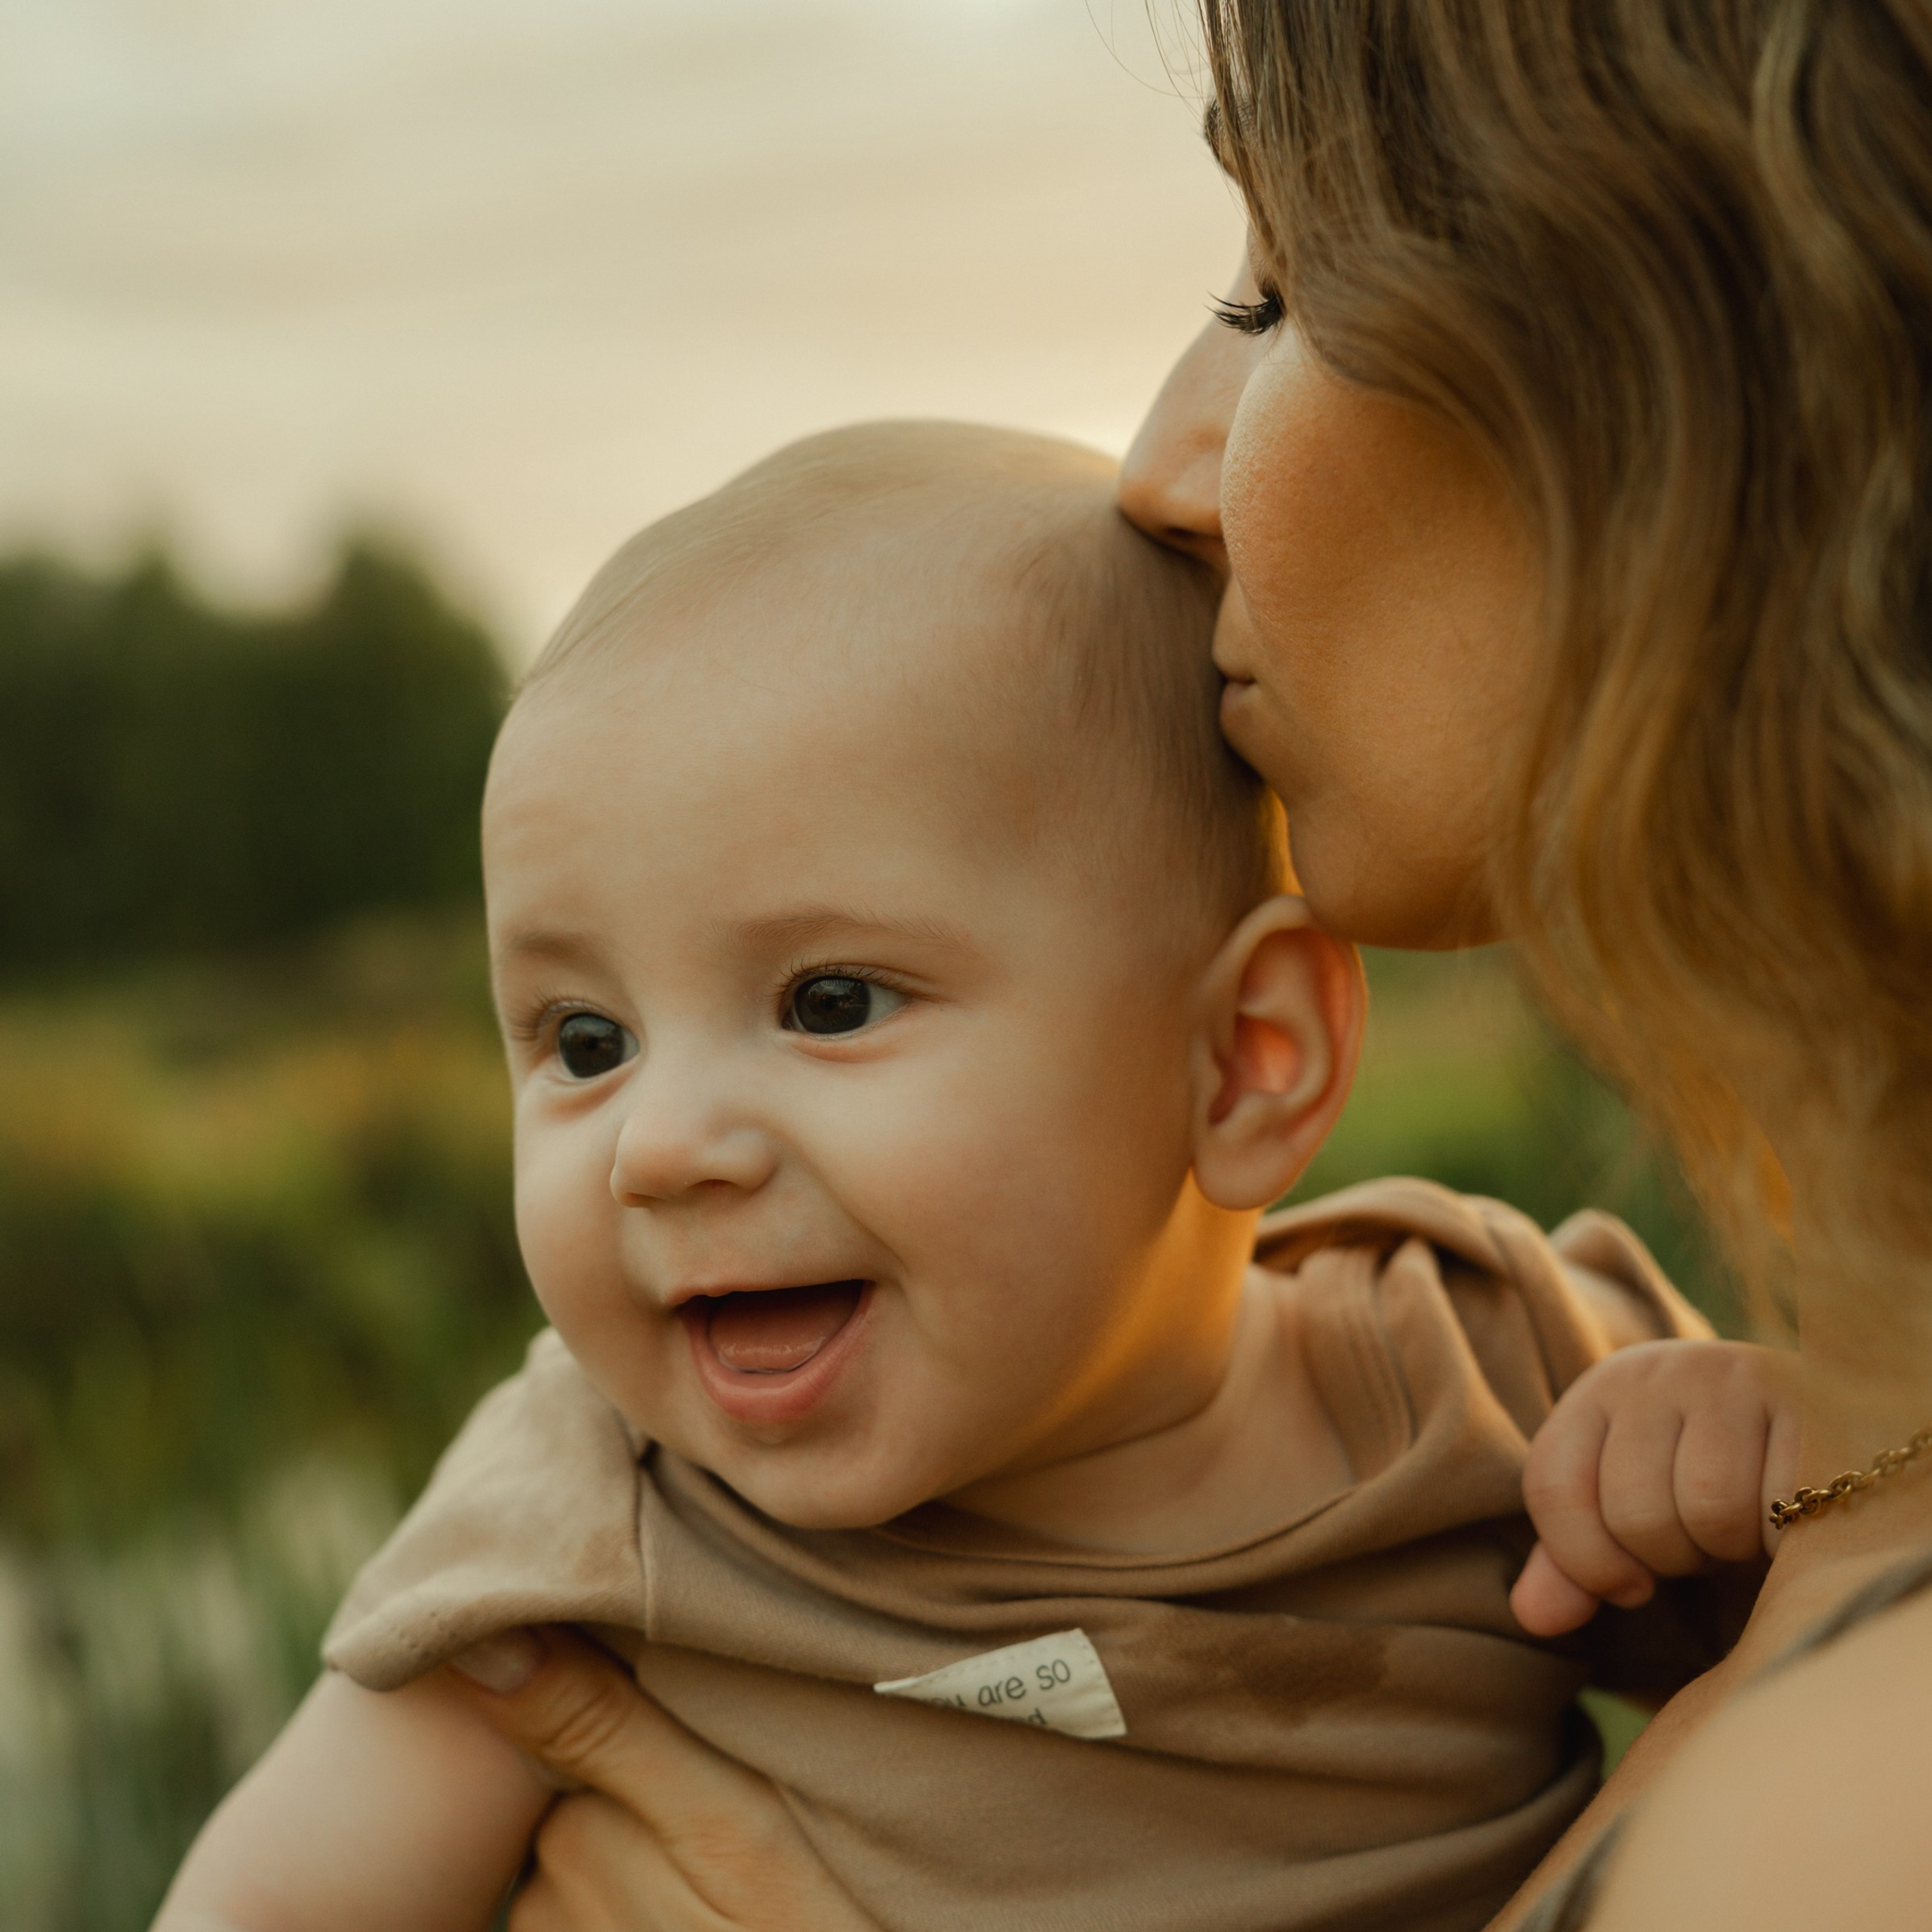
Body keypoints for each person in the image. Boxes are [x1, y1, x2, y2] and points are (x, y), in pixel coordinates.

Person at [416, 6, 1932, 1930]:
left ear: (1727, 356)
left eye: (1287, 284)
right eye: (578, 1037)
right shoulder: (596, 1505)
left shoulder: (1525, 1410)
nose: (1156, 464)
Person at [155, 421, 1789, 1932]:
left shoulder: (1496, 1370)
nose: (656, 1145)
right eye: (585, 1039)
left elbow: (1832, 1694)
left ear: (1242, 1058)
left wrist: (1751, 1447)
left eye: (829, 1002)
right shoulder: (593, 1508)